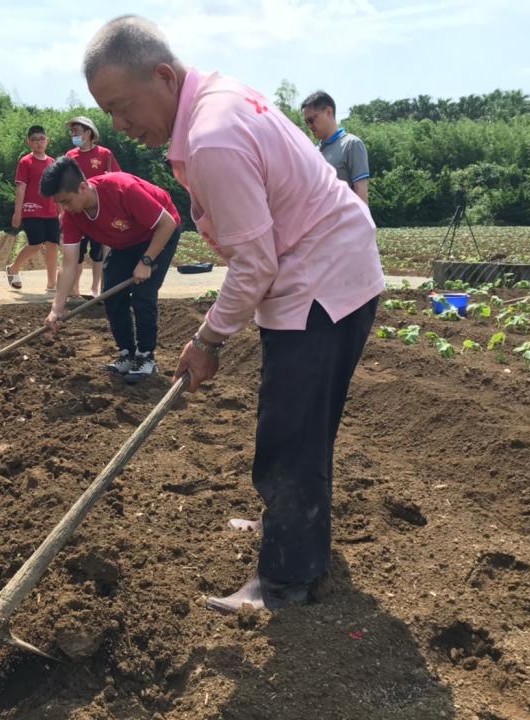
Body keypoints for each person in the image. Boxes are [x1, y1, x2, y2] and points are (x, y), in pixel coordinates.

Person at [83, 16, 385, 611]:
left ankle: (285, 578)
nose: (118, 125)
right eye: (107, 112)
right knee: (304, 425)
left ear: (164, 77)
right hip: (328, 271)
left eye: (121, 106)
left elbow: (255, 263)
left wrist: (208, 340)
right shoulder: (214, 101)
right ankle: (299, 534)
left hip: (318, 283)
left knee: (288, 434)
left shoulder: (212, 135)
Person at [42, 156, 181, 384]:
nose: (64, 208)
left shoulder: (122, 189)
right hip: (124, 243)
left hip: (158, 234)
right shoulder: (72, 216)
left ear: (83, 187)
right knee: (112, 293)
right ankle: (127, 352)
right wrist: (57, 308)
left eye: (66, 201)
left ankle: (146, 357)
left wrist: (146, 262)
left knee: (143, 295)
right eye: (59, 203)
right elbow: (68, 263)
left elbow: (167, 224)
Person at [65, 115, 121, 297]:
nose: (73, 135)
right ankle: (74, 289)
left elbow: (117, 178)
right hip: (77, 211)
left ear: (88, 133)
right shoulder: (70, 156)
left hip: (99, 211)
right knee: (78, 252)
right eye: (72, 132)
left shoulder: (105, 154)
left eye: (77, 131)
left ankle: (95, 288)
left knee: (98, 252)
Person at [6, 125, 59, 292]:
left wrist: (61, 211)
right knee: (36, 244)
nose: (38, 143)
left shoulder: (52, 162)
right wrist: (17, 212)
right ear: (29, 142)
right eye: (35, 140)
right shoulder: (25, 162)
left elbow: (56, 189)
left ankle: (52, 283)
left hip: (50, 210)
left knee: (52, 245)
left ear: (47, 141)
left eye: (41, 139)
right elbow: (20, 188)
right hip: (31, 209)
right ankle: (13, 268)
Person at [300, 91, 371, 205]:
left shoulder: (351, 144)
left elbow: (361, 190)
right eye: (306, 122)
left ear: (329, 112)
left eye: (312, 120)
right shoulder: (314, 152)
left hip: (346, 221)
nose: (309, 126)